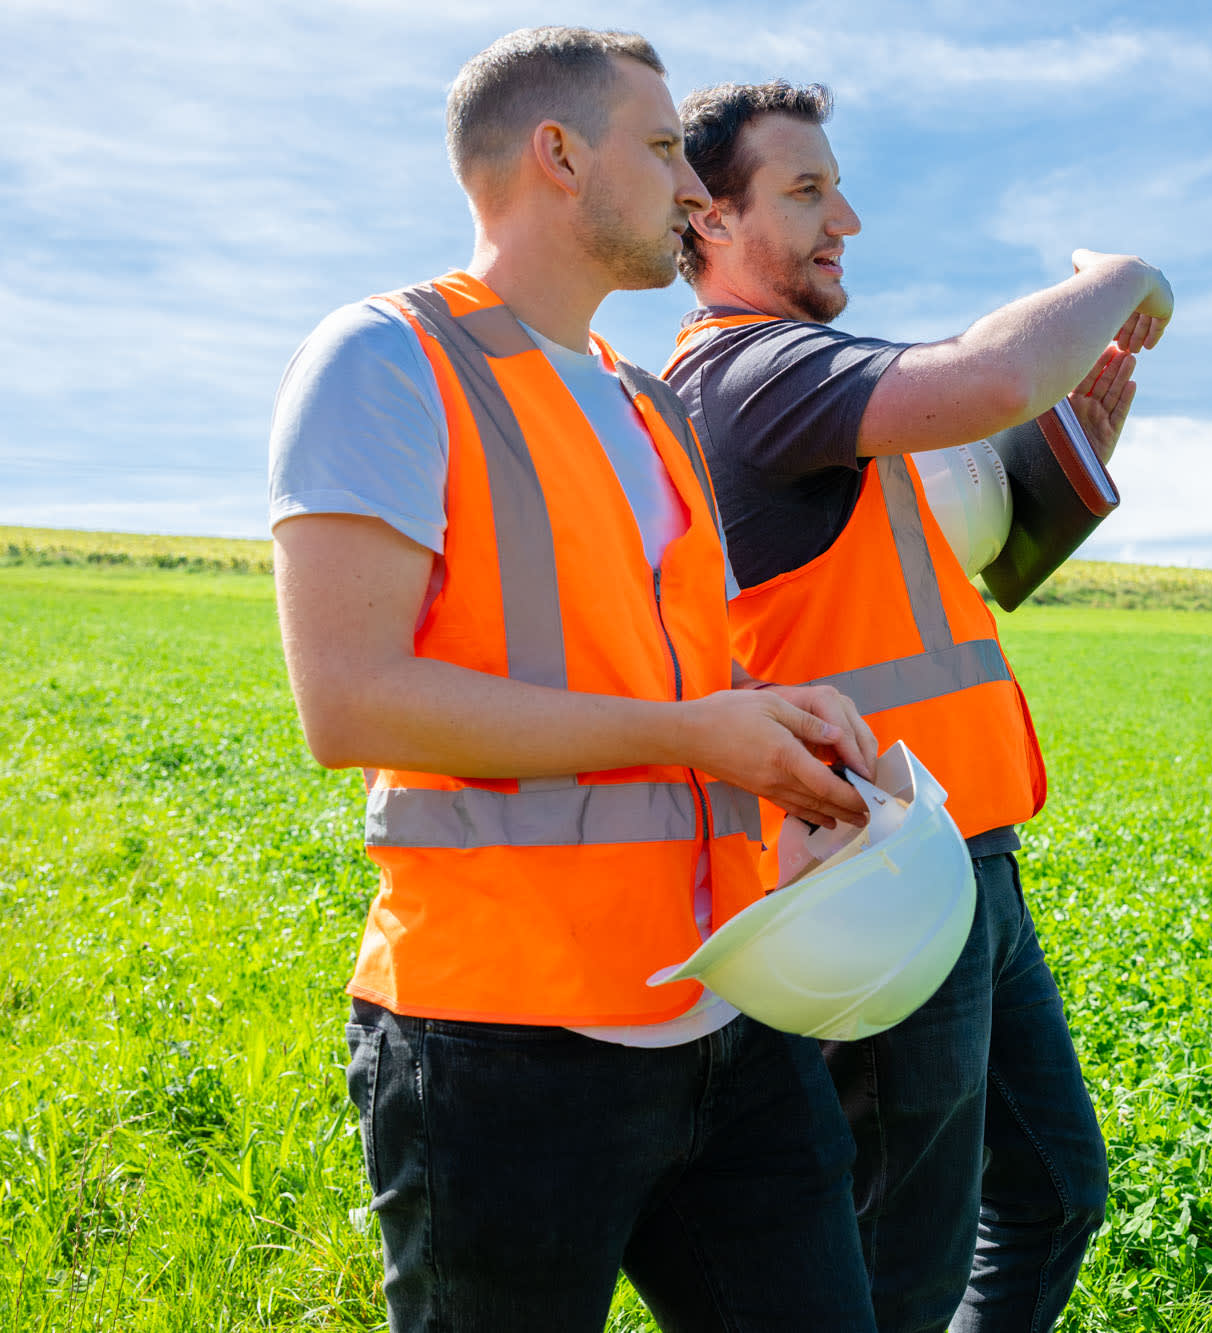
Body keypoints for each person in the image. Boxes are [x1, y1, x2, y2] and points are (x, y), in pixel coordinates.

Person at [267, 31, 883, 1333]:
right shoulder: (388, 359)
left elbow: (682, 674)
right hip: (503, 1049)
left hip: (732, 1013)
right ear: (557, 154)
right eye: (663, 150)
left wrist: (794, 748)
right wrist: (691, 733)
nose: (692, 190)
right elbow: (352, 701)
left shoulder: (653, 406)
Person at [662, 82, 1171, 1333]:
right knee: (900, 1270)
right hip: (878, 868)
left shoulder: (816, 391)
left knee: (1051, 1196)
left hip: (969, 859)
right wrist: (1123, 275)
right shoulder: (749, 371)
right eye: (804, 189)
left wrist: (1062, 463)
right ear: (707, 219)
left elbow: (966, 578)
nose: (846, 215)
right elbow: (990, 372)